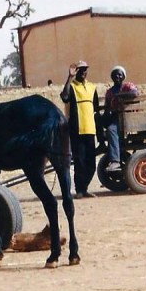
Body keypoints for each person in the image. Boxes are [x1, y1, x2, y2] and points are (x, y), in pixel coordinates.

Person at [60, 61, 100, 198]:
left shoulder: (92, 87)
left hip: (90, 129)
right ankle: (79, 190)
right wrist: (69, 77)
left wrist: (99, 133)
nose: (83, 72)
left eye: (85, 70)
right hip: (76, 130)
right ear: (76, 71)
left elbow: (96, 109)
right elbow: (64, 97)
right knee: (79, 162)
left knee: (91, 164)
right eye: (80, 70)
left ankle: (85, 187)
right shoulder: (72, 87)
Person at [100, 65, 139, 171]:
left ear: (123, 77)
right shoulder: (109, 91)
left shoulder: (127, 86)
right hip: (115, 116)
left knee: (112, 130)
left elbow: (135, 93)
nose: (117, 76)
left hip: (127, 117)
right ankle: (101, 144)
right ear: (112, 77)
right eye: (115, 75)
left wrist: (119, 96)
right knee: (96, 118)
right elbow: (107, 106)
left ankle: (115, 161)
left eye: (119, 74)